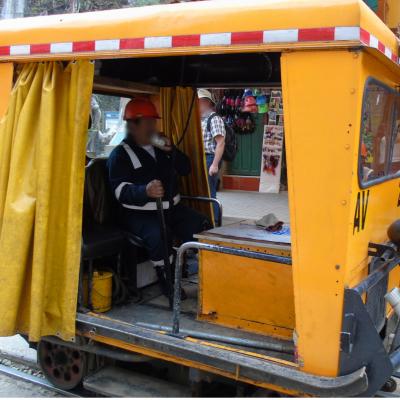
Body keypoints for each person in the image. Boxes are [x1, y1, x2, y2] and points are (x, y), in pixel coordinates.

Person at [107, 97, 209, 297]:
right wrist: (145, 191)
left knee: (201, 226)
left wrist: (172, 151)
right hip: (140, 215)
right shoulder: (119, 155)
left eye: (154, 121)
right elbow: (120, 192)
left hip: (173, 209)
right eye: (148, 122)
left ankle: (211, 278)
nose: (153, 126)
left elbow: (186, 168)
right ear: (133, 125)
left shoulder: (161, 148)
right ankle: (169, 287)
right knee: (159, 237)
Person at [198, 89, 226, 223]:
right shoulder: (202, 119)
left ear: (207, 102)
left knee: (210, 192)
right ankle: (207, 219)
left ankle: (214, 221)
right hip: (203, 158)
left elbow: (220, 142)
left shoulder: (214, 119)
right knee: (204, 191)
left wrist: (214, 164)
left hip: (209, 158)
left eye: (199, 101)